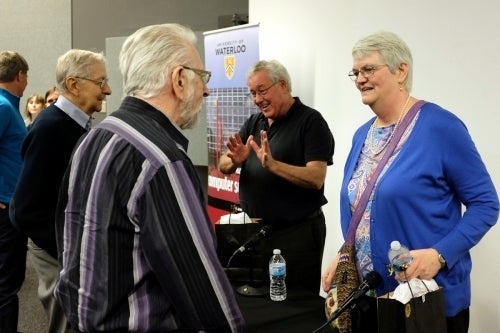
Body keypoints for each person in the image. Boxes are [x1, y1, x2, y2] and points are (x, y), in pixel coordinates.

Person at [54, 23, 245, 332]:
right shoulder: (162, 160)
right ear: (179, 79)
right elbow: (200, 288)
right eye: (203, 76)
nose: (207, 89)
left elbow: (67, 231)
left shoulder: (96, 136)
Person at [321, 31, 499, 333]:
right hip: (371, 298)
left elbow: (486, 204)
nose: (360, 79)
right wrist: (345, 254)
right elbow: (363, 212)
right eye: (355, 72)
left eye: (369, 69)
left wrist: (439, 255)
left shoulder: (441, 128)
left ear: (400, 70)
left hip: (424, 303)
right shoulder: (361, 135)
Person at [9, 49, 112, 333]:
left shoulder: (73, 125)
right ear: (74, 84)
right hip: (55, 250)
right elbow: (26, 209)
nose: (108, 90)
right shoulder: (51, 128)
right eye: (101, 82)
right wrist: (68, 249)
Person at [218, 60, 335, 293]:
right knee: (261, 306)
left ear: (282, 85)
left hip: (296, 236)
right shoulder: (254, 122)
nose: (257, 99)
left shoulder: (310, 122)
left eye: (262, 91)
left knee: (294, 305)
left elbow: (316, 177)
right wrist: (234, 161)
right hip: (256, 235)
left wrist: (273, 165)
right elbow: (223, 164)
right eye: (252, 93)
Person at [0, 50, 29, 333]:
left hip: (11, 205)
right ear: (20, 75)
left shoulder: (8, 105)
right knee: (6, 283)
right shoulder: (3, 107)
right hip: (4, 208)